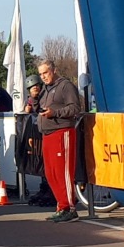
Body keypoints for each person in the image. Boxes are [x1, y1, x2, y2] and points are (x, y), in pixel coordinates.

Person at [36, 59, 81, 223]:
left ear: (54, 70)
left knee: (63, 172)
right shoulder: (45, 89)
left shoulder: (65, 86)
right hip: (47, 133)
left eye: (45, 73)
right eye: (40, 74)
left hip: (62, 132)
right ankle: (61, 205)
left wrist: (54, 113)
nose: (43, 77)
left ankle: (70, 207)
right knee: (51, 173)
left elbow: (75, 108)